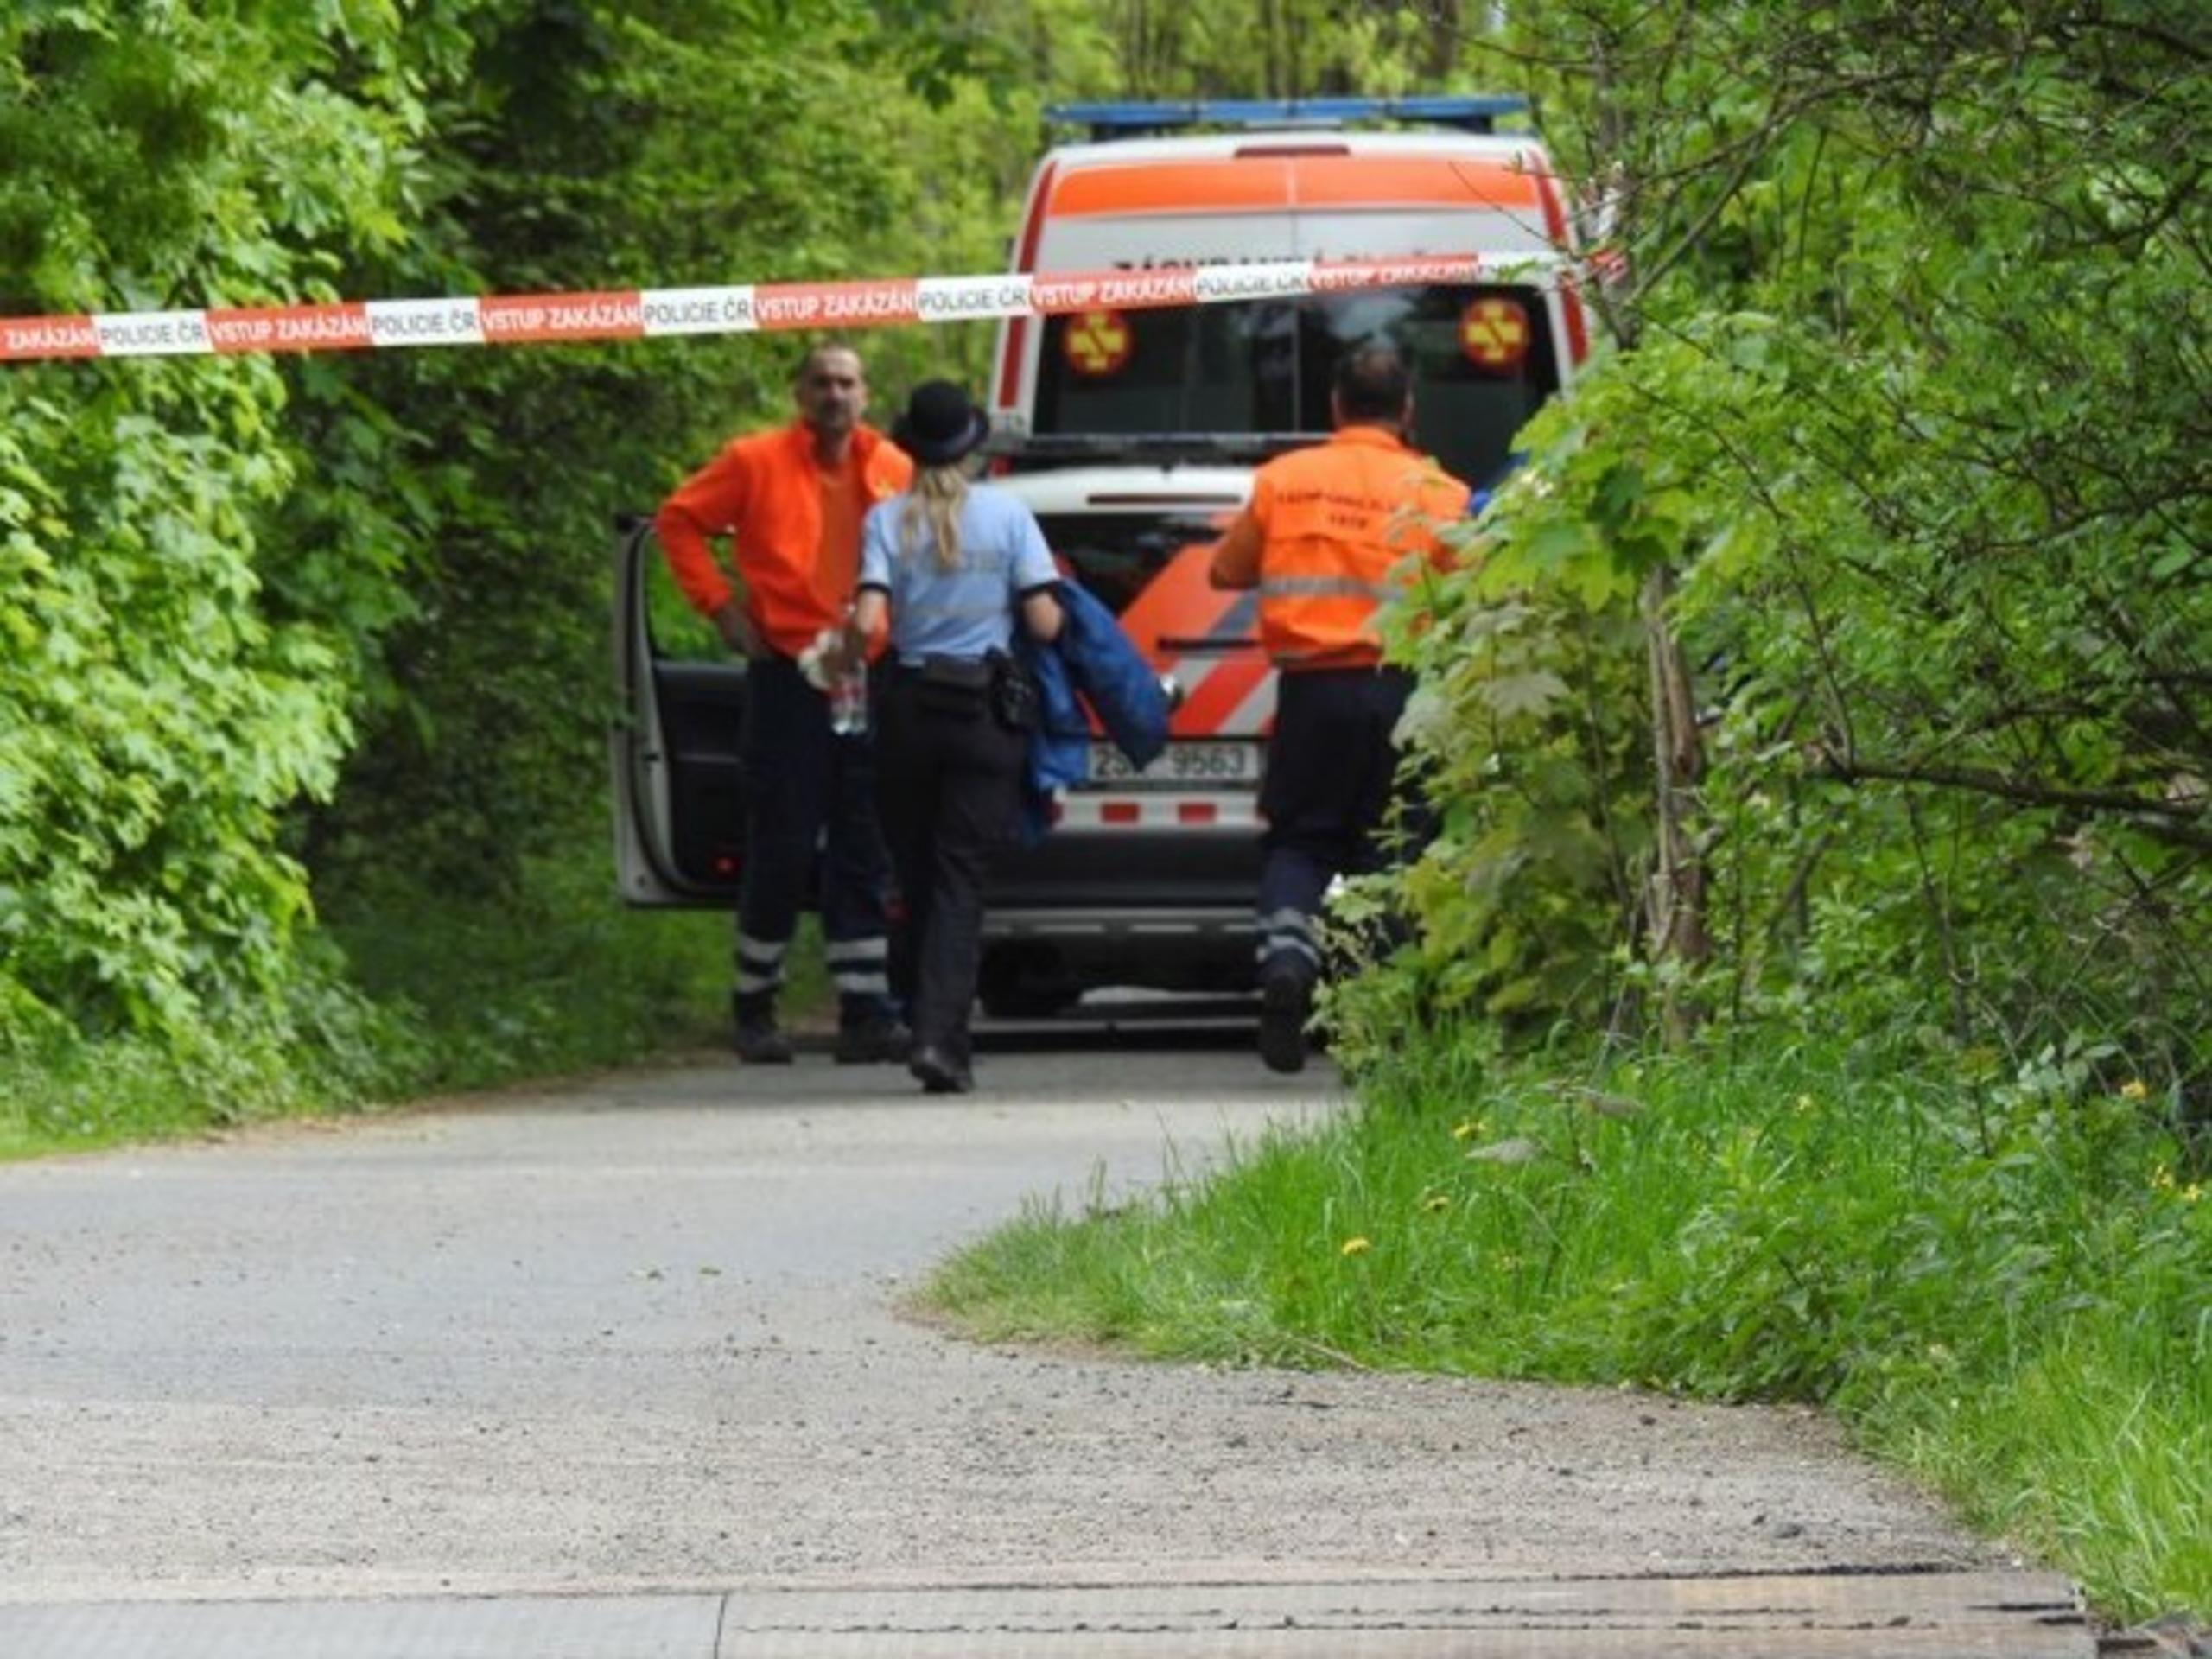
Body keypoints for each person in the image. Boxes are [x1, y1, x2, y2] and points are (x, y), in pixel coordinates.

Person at [1208, 344, 1471, 1073]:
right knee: (1390, 850)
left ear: (1335, 406)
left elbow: (1226, 569)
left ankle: (1287, 962)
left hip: (1311, 694)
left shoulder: (1283, 483)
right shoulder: (1440, 494)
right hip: (1402, 694)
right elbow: (1475, 594)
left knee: (1299, 842)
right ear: (1408, 410)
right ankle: (1375, 1013)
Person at [654, 342, 914, 1065]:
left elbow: (921, 559)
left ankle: (865, 1012)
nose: (835, 394)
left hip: (870, 675)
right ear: (800, 393)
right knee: (781, 843)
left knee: (864, 844)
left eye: (848, 383)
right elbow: (678, 521)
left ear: (866, 394)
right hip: (787, 677)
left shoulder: (893, 466)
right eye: (822, 382)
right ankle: (754, 1007)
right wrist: (720, 609)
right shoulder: (754, 460)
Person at [850, 381, 1065, 1094]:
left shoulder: (885, 520)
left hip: (909, 713)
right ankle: (941, 1040)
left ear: (909, 445)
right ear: (972, 446)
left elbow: (868, 622)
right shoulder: (1008, 517)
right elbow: (1043, 624)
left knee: (914, 876)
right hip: (982, 717)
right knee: (957, 881)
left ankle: (918, 1014)